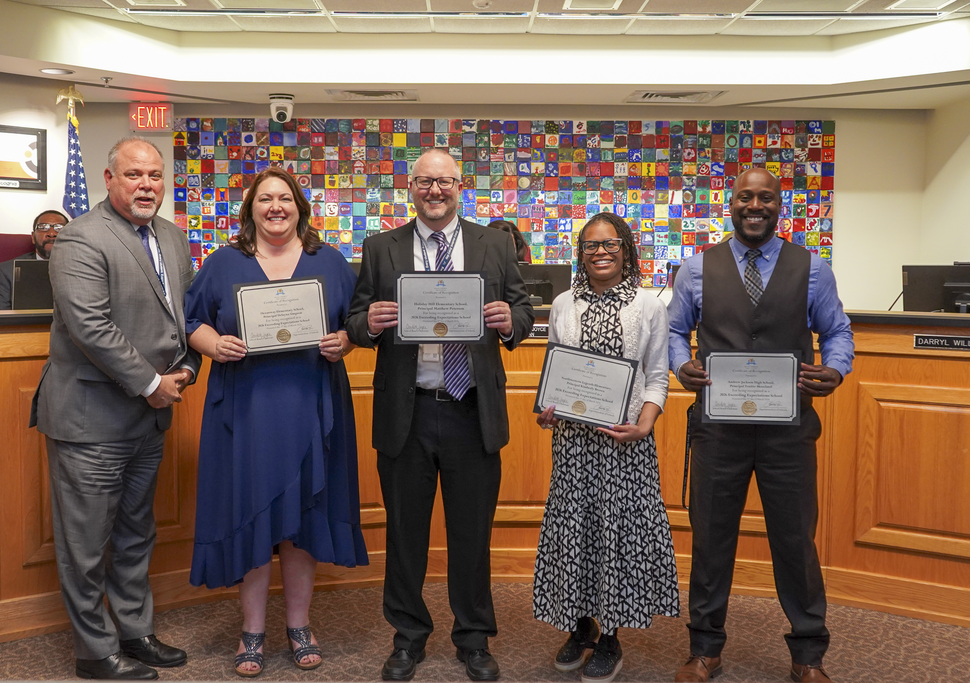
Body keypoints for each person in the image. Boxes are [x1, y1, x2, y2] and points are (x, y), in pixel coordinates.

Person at [346, 148, 534, 682]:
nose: (435, 191)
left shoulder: (494, 243)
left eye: (444, 182)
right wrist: (371, 323)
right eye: (425, 182)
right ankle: (408, 637)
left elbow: (523, 310)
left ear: (460, 186)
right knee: (405, 534)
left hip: (471, 411)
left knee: (471, 535)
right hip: (406, 412)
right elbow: (355, 320)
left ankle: (473, 638)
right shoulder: (380, 247)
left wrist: (508, 320)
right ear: (411, 187)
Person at [667, 168, 854, 683]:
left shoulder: (812, 268)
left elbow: (837, 331)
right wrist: (681, 364)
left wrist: (836, 369)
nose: (755, 206)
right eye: (745, 197)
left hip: (788, 430)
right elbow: (675, 332)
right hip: (717, 429)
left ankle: (808, 654)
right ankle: (704, 649)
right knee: (711, 540)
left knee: (796, 540)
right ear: (731, 204)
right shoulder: (695, 269)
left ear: (778, 206)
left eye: (765, 198)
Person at [185, 167, 368, 677]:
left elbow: (356, 322)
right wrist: (214, 345)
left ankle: (299, 624)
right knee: (253, 516)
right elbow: (191, 320)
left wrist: (344, 342)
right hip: (247, 410)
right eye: (264, 199)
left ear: (299, 207)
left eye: (284, 198)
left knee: (304, 515)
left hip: (312, 403)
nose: (275, 207)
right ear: (250, 209)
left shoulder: (328, 260)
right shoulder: (224, 262)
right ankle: (252, 630)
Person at [30, 137, 201, 680]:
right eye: (134, 175)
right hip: (90, 419)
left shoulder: (172, 237)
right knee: (84, 545)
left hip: (148, 418)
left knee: (135, 534)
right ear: (109, 179)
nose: (146, 185)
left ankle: (134, 631)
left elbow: (185, 316)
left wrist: (187, 369)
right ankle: (94, 651)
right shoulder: (80, 238)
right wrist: (151, 383)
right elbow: (90, 327)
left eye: (154, 175)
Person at [534, 212, 679, 683]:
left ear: (626, 250)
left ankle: (611, 637)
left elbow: (657, 376)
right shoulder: (563, 304)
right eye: (591, 245)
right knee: (575, 533)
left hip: (625, 445)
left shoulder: (648, 305)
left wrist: (644, 425)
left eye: (610, 244)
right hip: (573, 445)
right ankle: (582, 627)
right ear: (580, 253)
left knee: (616, 538)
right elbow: (554, 370)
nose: (600, 252)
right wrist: (546, 410)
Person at [0, 209, 68, 309]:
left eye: (59, 228)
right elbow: (0, 316)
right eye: (43, 227)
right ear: (33, 237)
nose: (51, 233)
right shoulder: (6, 271)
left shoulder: (83, 267)